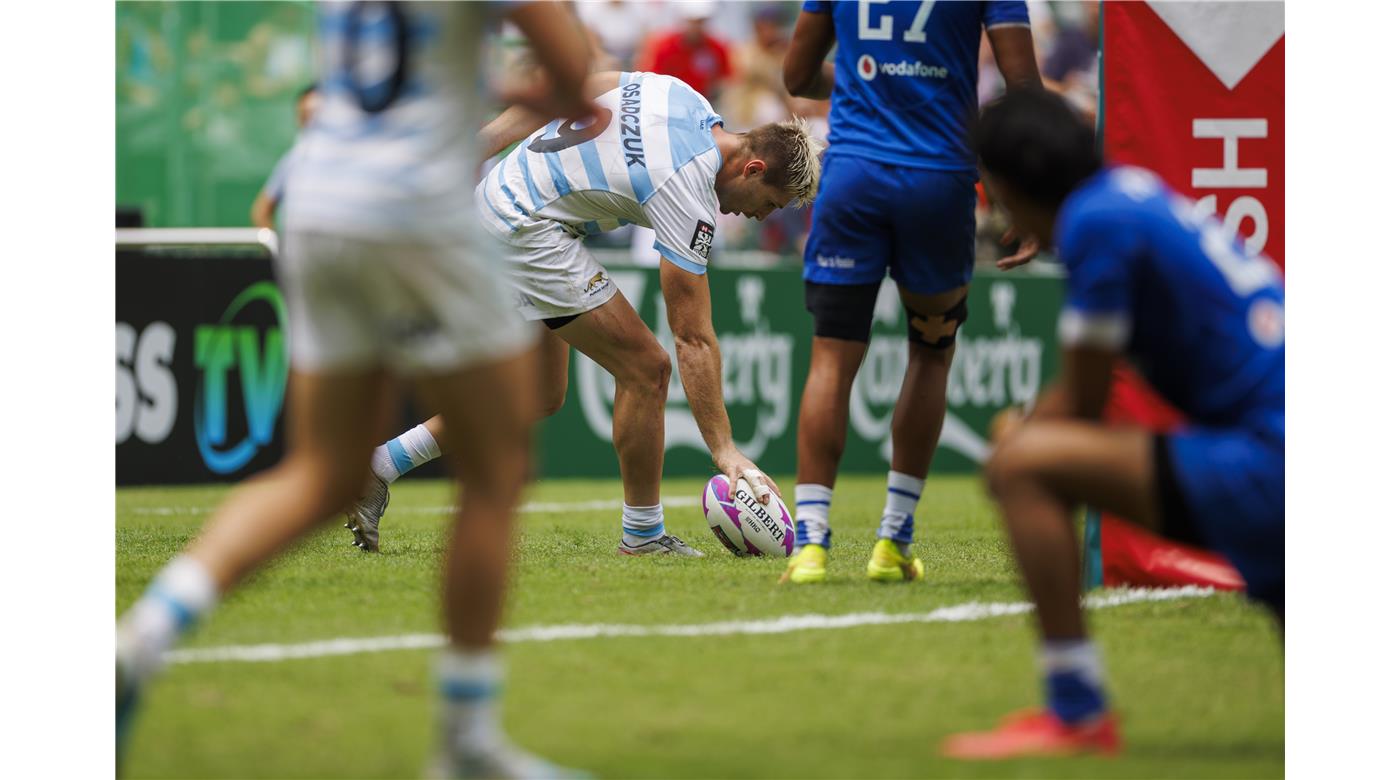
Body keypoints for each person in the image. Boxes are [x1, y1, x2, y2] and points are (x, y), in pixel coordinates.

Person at [116, 3, 595, 777]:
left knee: (322, 473)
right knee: (496, 466)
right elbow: (573, 73)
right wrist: (525, 87)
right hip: (414, 209)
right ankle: (467, 740)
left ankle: (140, 638)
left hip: (319, 203)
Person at [343, 70, 823, 556]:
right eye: (770, 203)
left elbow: (576, 84)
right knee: (646, 369)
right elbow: (692, 337)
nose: (760, 216)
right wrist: (725, 449)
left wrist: (480, 145)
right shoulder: (686, 188)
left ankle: (379, 466)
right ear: (753, 169)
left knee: (540, 393)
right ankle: (643, 534)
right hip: (526, 226)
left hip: (500, 196)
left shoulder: (683, 98)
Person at [942, 88, 1284, 759]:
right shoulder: (1127, 193)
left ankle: (1076, 710)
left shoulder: (1096, 223)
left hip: (1270, 456)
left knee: (1023, 466)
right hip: (1266, 440)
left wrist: (1020, 429)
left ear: (1011, 184)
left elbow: (1084, 399)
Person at [779, 0, 1041, 584]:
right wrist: (1026, 198)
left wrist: (869, 80)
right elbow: (1024, 93)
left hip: (854, 179)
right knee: (930, 351)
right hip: (938, 181)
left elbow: (796, 76)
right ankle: (893, 540)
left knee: (831, 359)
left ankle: (811, 545)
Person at [249, 83, 318, 231]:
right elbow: (261, 212)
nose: (310, 124)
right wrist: (278, 243)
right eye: (305, 116)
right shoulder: (294, 160)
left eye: (315, 116)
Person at [634, 1, 733, 102]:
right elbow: (651, 78)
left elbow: (725, 79)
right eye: (691, 21)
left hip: (705, 101)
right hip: (670, 100)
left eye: (700, 21)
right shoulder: (664, 46)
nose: (695, 27)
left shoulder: (716, 48)